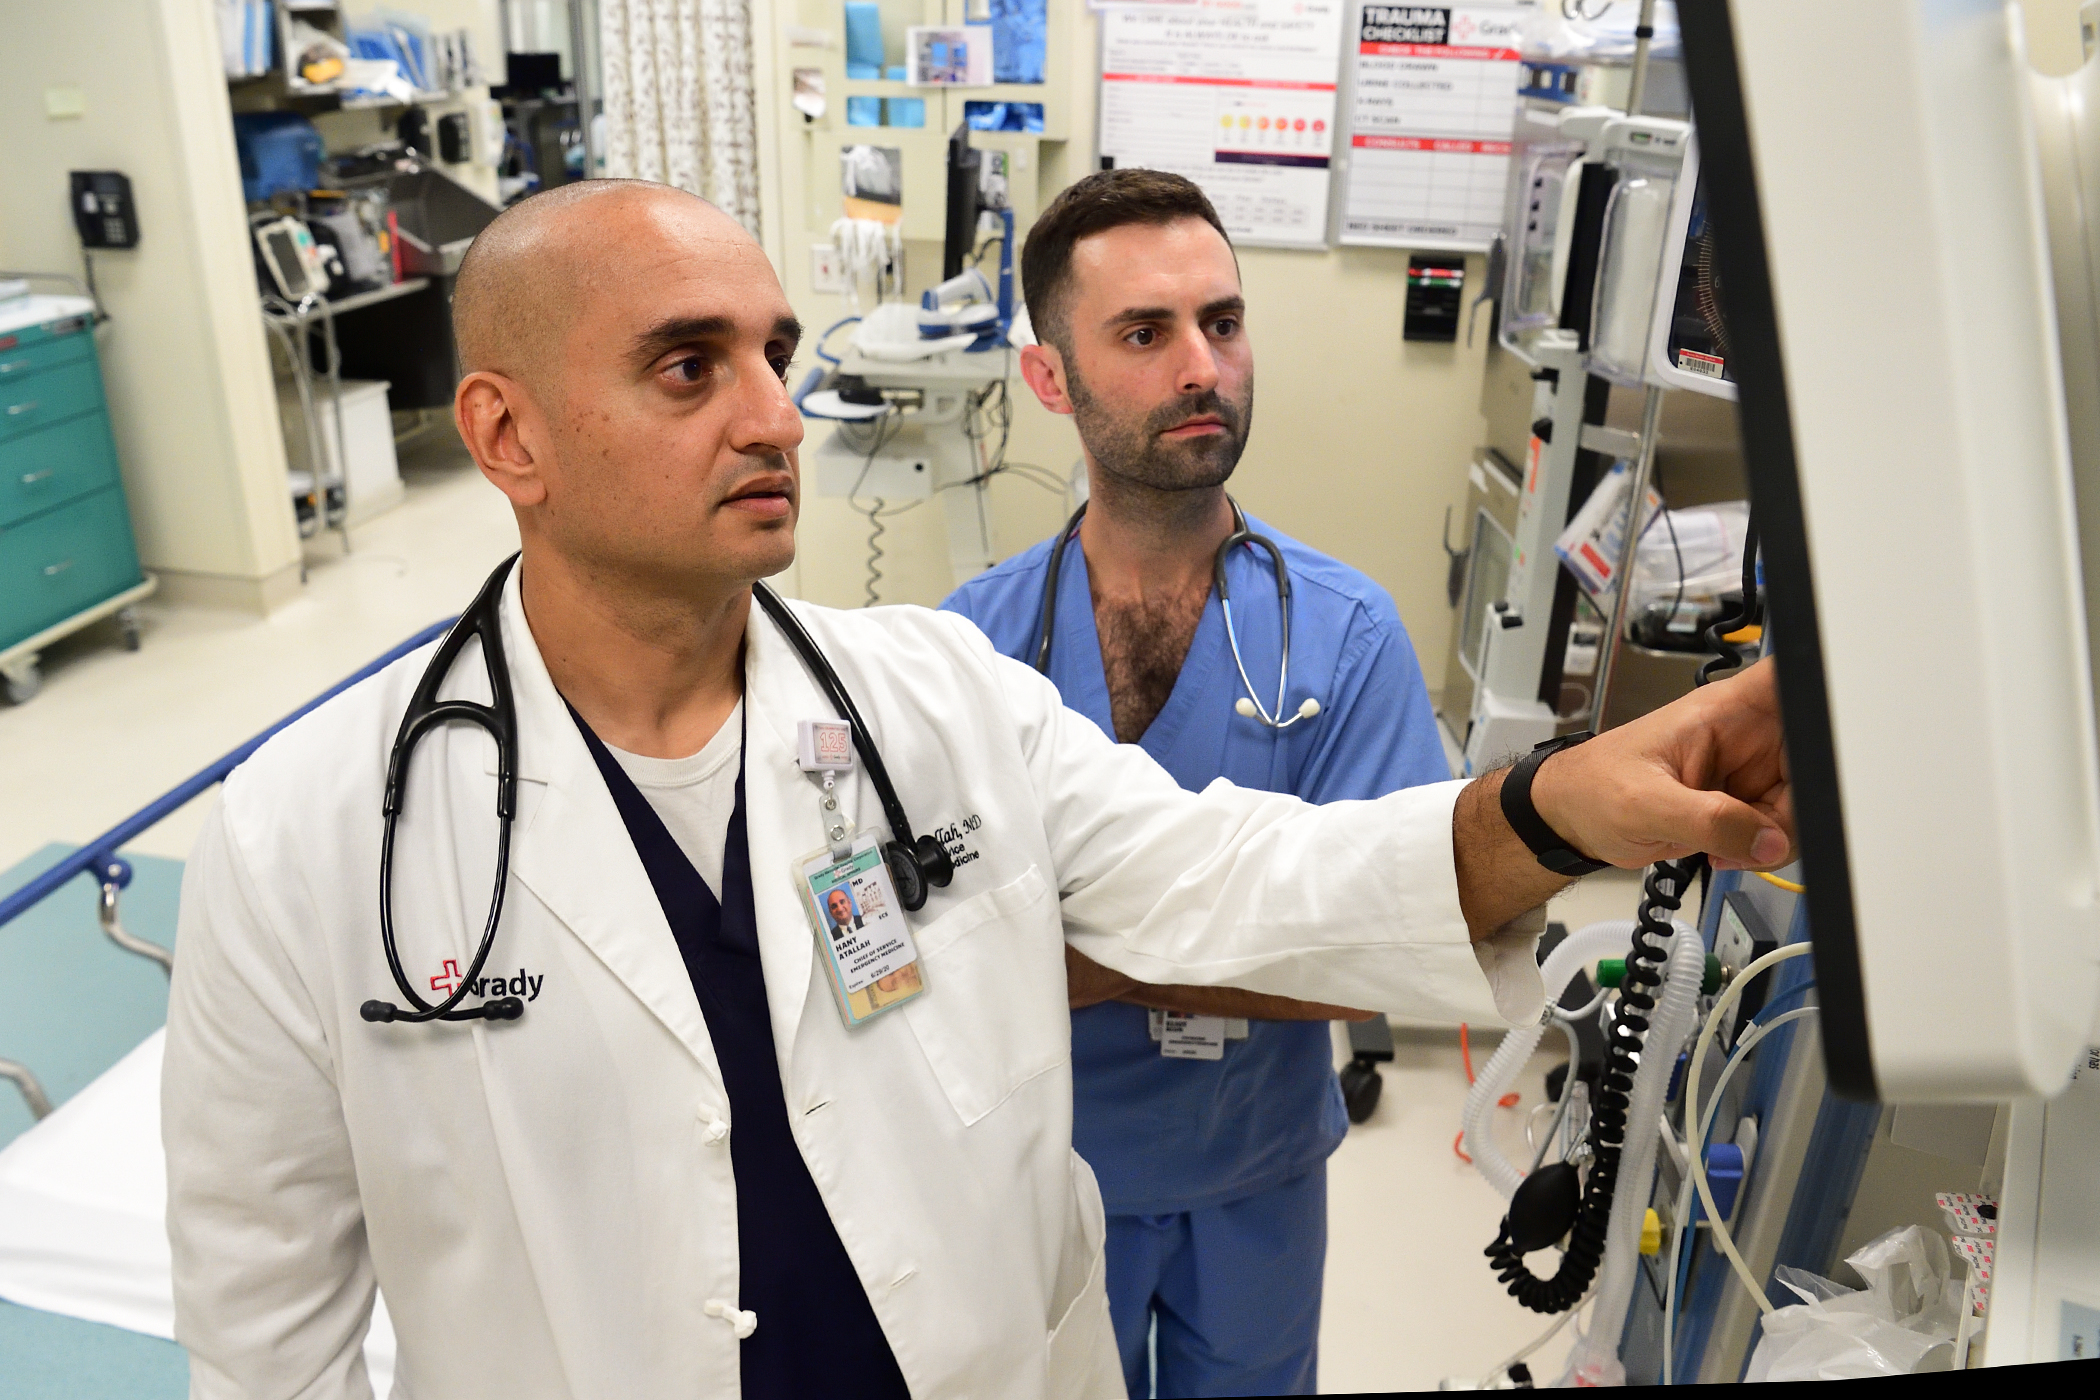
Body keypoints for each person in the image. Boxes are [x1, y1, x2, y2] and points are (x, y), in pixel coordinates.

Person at [161, 179, 1796, 1400]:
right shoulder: (311, 833)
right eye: (687, 367)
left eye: (774, 354)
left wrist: (1559, 806)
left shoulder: (937, 705)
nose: (772, 414)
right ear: (507, 435)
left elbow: (1250, 878)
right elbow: (264, 1331)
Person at [942, 168, 1445, 1398]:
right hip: (1047, 1175)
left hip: (1253, 1175)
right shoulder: (972, 645)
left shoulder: (1347, 635)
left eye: (1222, 322)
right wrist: (1261, 932)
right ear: (1049, 377)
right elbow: (933, 939)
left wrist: (1075, 954)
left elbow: (1383, 940)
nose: (1201, 367)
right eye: (1145, 332)